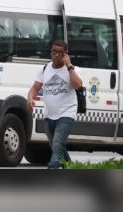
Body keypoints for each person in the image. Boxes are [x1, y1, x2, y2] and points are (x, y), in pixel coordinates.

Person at [26, 39, 83, 169]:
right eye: (54, 51)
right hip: (49, 116)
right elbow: (35, 88)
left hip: (66, 114)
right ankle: (72, 169)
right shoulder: (44, 69)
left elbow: (78, 85)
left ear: (66, 54)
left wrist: (69, 66)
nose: (56, 55)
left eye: (60, 52)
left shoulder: (73, 69)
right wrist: (30, 98)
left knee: (57, 145)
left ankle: (51, 168)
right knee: (58, 147)